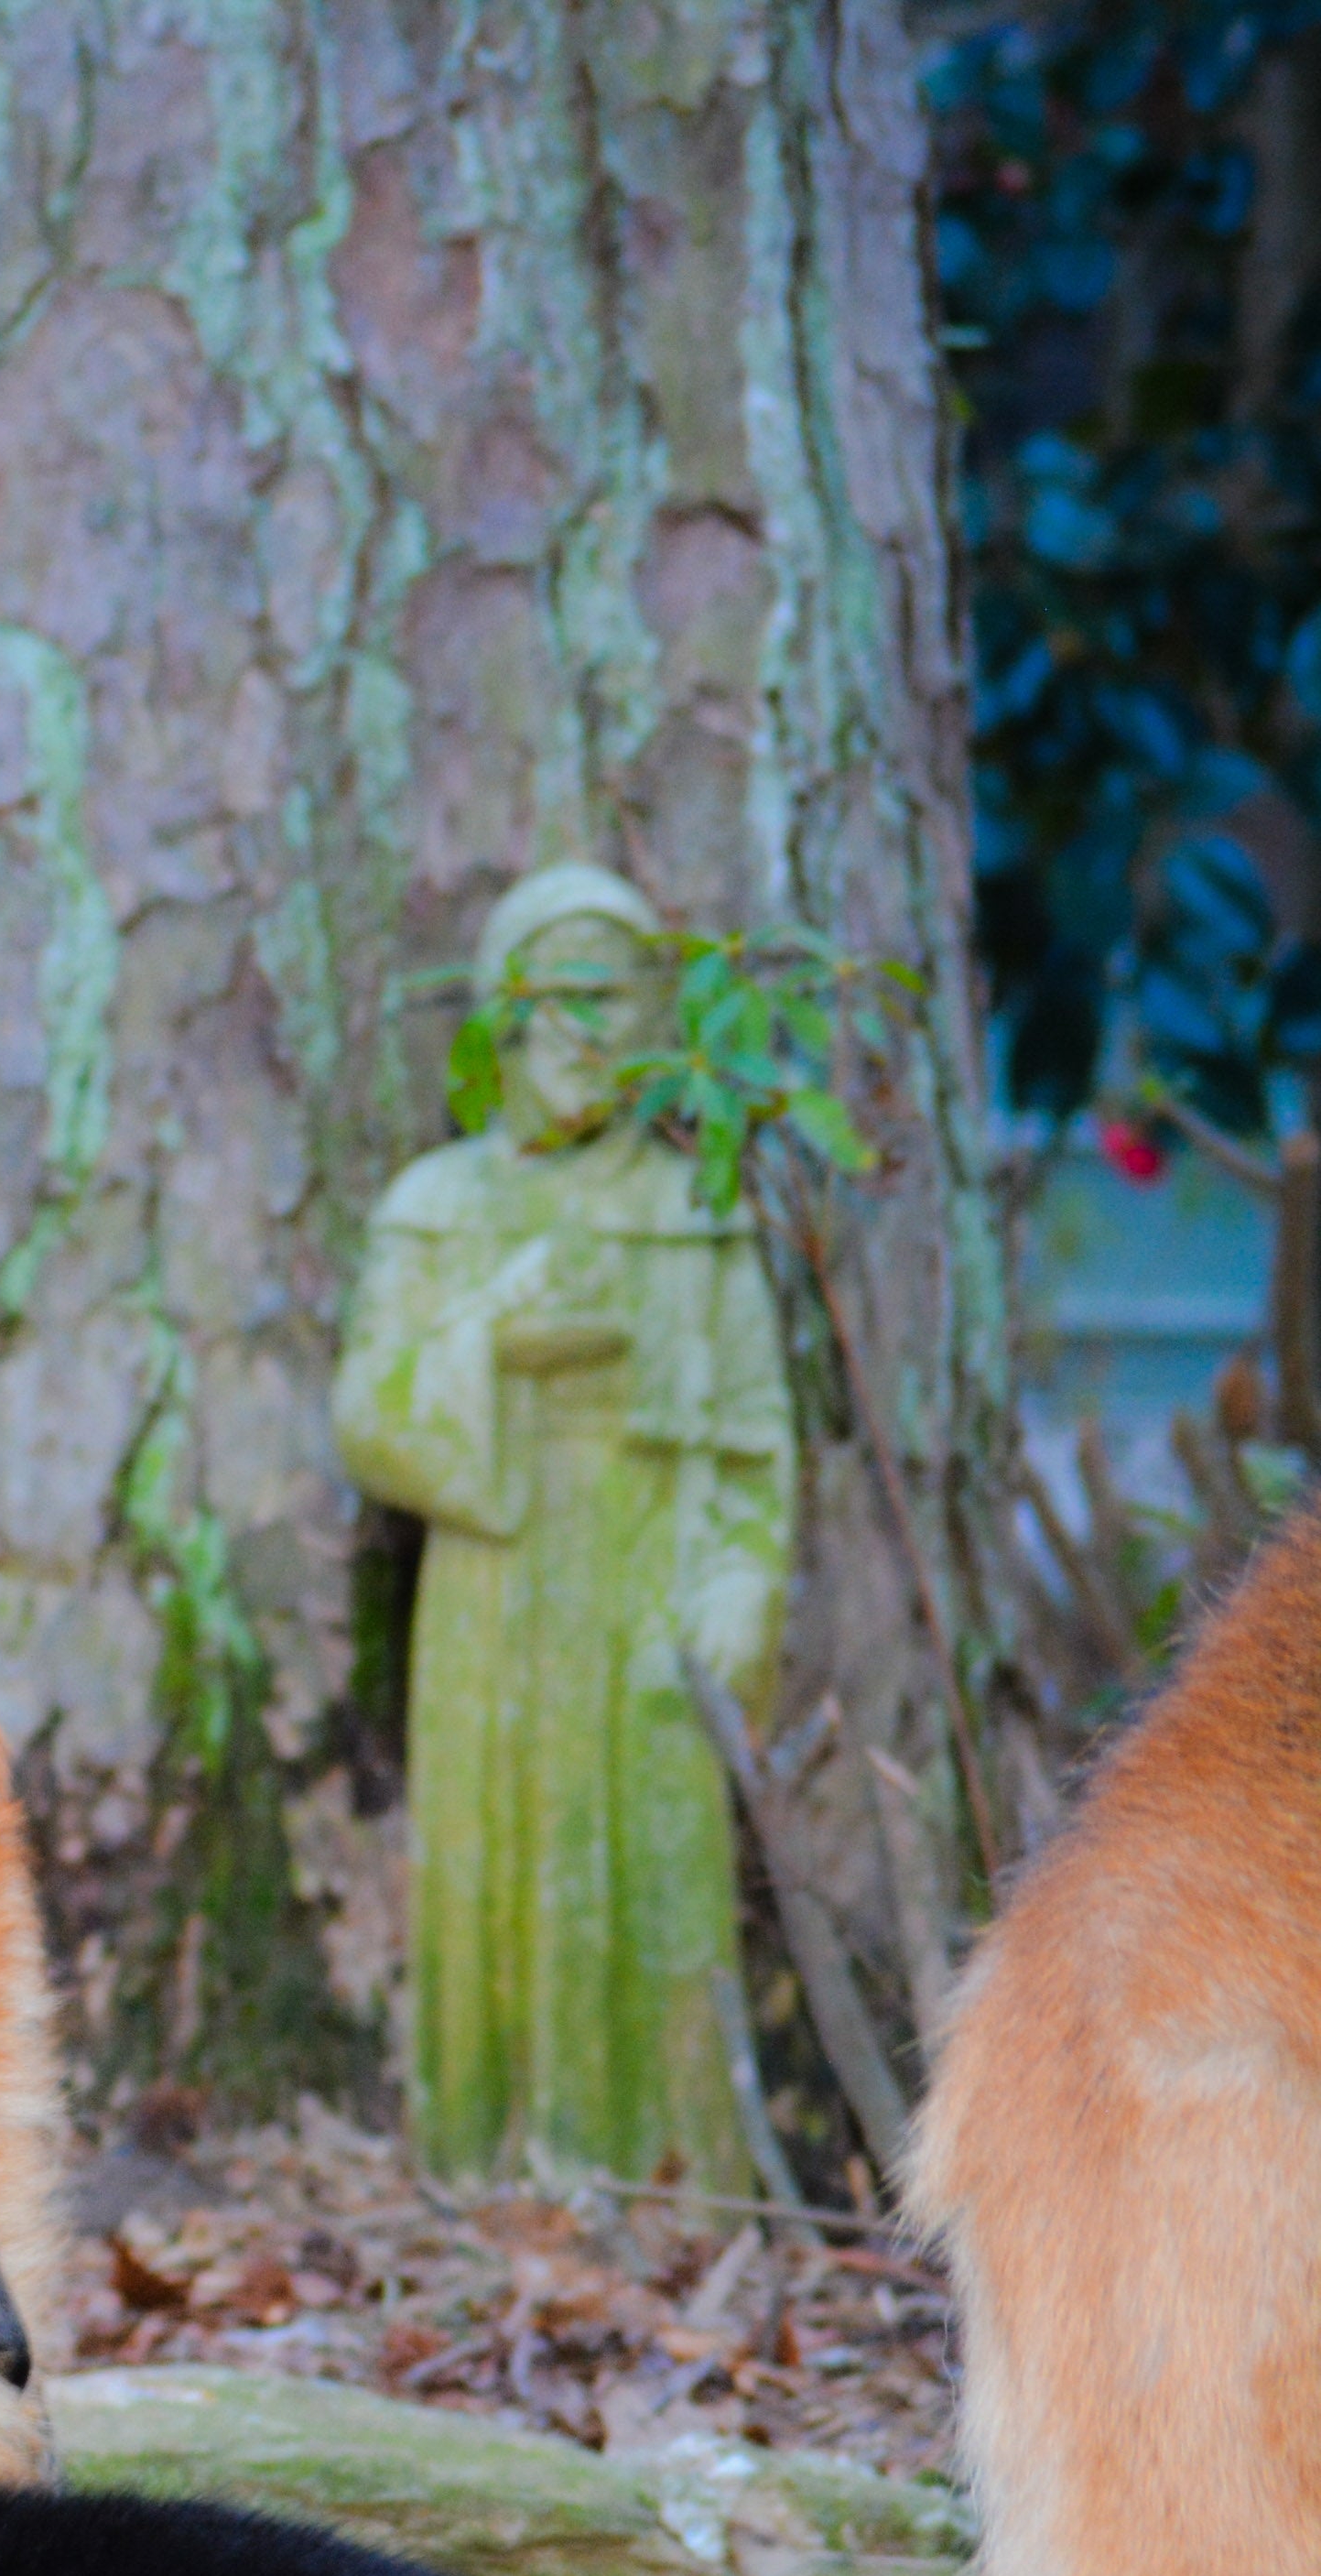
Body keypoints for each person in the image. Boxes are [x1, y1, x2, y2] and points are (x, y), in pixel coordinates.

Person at [335, 863, 794, 2182]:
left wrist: (740, 1585)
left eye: (620, 1000)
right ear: (504, 1016)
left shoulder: (695, 1207)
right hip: (496, 1573)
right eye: (561, 999)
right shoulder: (443, 1204)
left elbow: (757, 1429)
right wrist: (495, 1334)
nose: (591, 1034)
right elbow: (371, 1412)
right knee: (495, 1861)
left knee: (652, 1855)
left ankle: (663, 2170)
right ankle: (486, 2164)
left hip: (655, 1562)